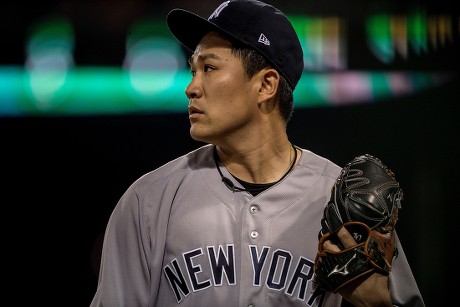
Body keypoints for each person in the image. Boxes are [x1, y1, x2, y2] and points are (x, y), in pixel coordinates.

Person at [90, 0, 425, 306]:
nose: (191, 87)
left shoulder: (340, 198)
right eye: (193, 70)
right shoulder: (148, 201)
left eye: (209, 68)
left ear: (266, 85)